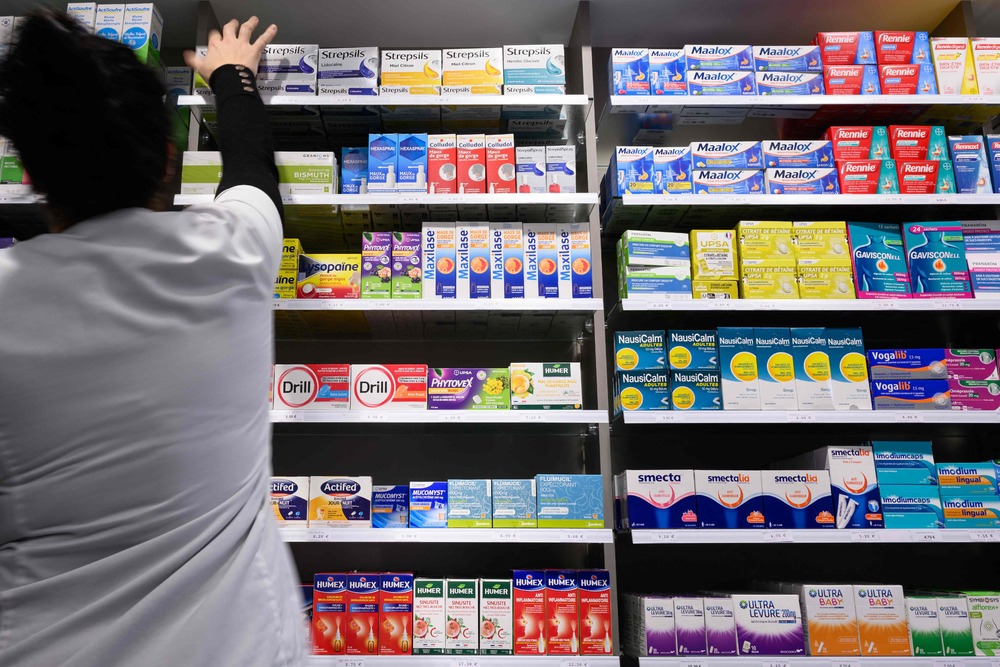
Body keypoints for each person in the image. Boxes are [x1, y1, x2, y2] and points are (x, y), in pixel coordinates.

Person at [0, 10, 305, 666]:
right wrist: (233, 77)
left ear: (29, 174)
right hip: (240, 647)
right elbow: (252, 168)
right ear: (170, 159)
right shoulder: (234, 254)